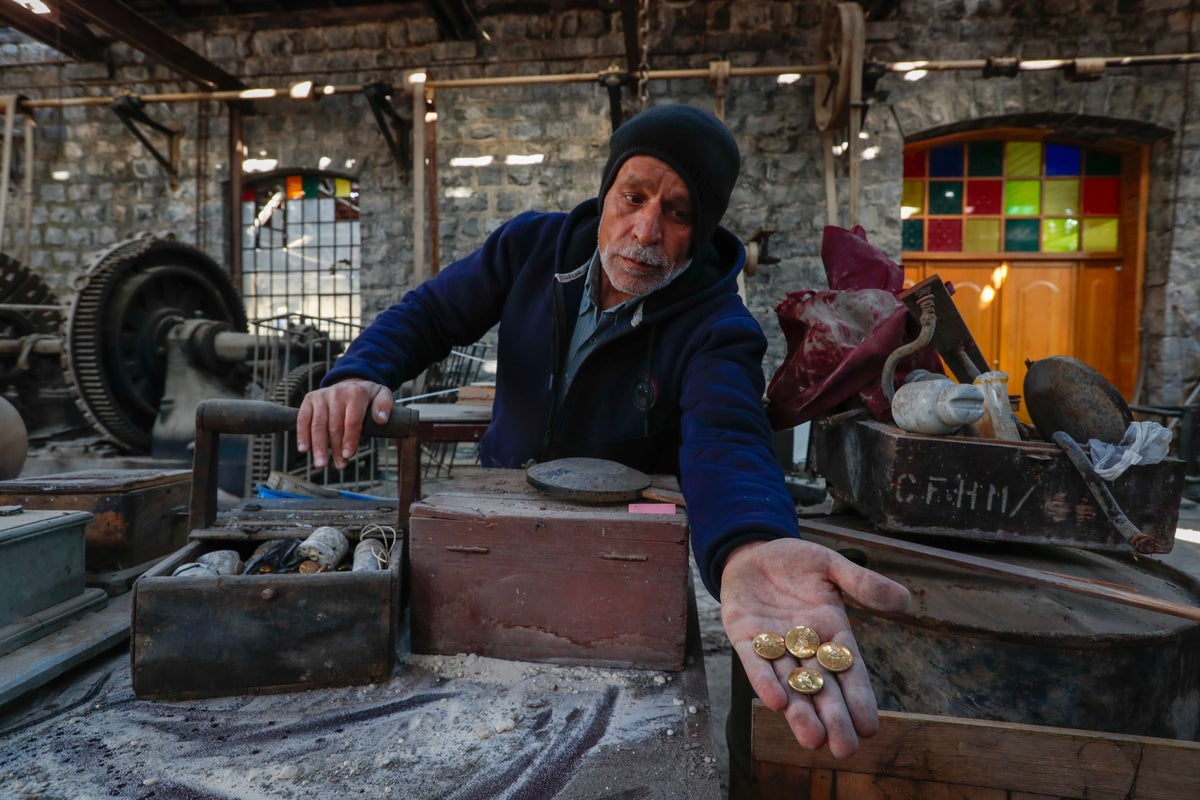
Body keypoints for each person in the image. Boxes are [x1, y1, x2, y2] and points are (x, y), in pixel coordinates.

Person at [297, 103, 911, 772]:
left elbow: (726, 438)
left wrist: (749, 542)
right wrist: (359, 372)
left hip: (615, 551)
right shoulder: (530, 249)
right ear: (607, 189)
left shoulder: (717, 327)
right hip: (497, 514)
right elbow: (431, 312)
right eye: (634, 196)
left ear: (703, 230)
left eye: (678, 214)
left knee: (589, 740)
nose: (646, 231)